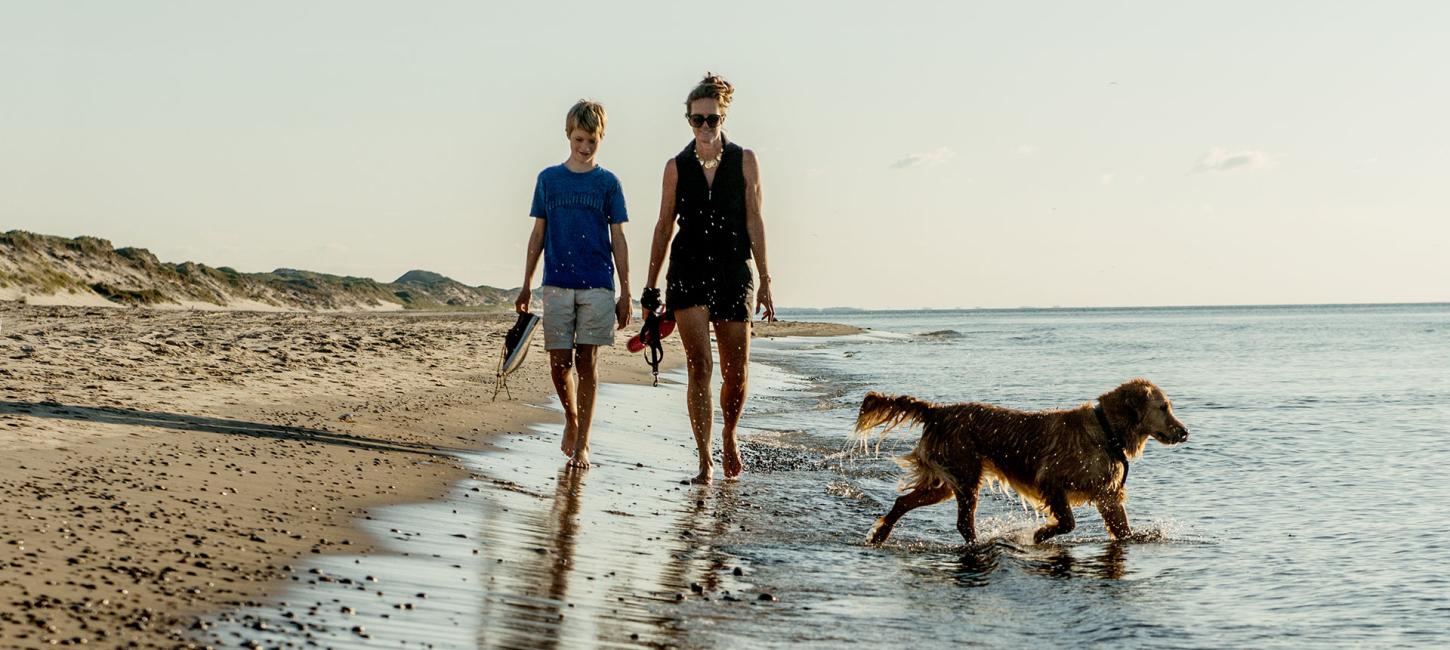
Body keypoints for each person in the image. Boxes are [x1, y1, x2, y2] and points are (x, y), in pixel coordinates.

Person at [642, 73, 775, 485]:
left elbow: (755, 219)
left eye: (711, 120)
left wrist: (766, 278)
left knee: (737, 371)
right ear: (688, 120)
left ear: (723, 117)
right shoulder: (675, 167)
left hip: (735, 267)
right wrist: (649, 287)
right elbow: (664, 226)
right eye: (696, 119)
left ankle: (729, 434)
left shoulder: (746, 160)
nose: (703, 127)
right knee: (700, 365)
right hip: (689, 268)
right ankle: (704, 458)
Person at [516, 99, 632, 469]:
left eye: (592, 142)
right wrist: (525, 284)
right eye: (579, 139)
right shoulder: (548, 180)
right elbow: (537, 235)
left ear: (601, 139)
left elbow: (619, 239)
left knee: (587, 362)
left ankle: (583, 444)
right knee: (558, 363)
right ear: (568, 135)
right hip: (557, 284)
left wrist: (626, 290)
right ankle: (572, 417)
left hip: (598, 285)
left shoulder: (608, 183)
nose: (584, 148)